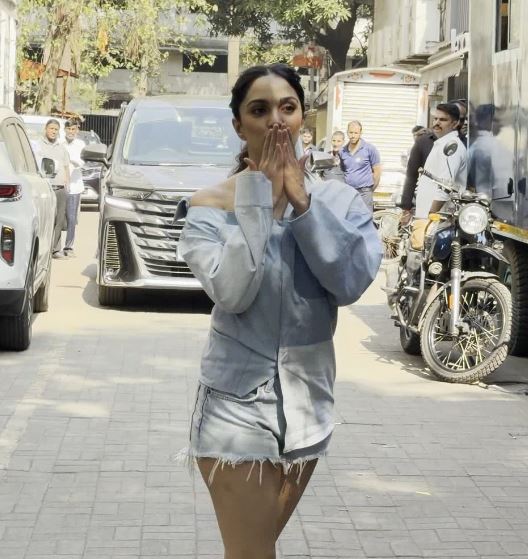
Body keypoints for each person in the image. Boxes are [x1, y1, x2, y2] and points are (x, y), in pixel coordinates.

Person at [175, 63, 382, 559]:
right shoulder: (209, 204)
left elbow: (350, 283)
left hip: (308, 402)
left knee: (254, 548)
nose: (275, 120)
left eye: (287, 107)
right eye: (259, 109)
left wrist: (304, 205)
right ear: (238, 124)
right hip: (236, 403)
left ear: (302, 118)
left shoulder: (339, 201)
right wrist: (262, 202)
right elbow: (232, 292)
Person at [411, 103, 467, 249]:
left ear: (454, 123)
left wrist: (430, 218)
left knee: (425, 256)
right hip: (428, 214)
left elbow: (445, 186)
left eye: (443, 120)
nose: (436, 123)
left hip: (436, 218)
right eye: (435, 118)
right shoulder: (442, 143)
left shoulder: (452, 147)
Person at [37, 119, 70, 258]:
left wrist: (67, 182)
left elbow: (66, 167)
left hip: (60, 188)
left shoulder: (61, 148)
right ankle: (42, 249)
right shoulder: (38, 145)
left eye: (56, 129)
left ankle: (55, 250)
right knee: (45, 219)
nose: (53, 131)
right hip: (45, 188)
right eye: (51, 128)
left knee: (59, 220)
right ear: (46, 129)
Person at [339, 120, 381, 211]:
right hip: (349, 192)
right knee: (349, 216)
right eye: (351, 132)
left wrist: (370, 190)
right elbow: (342, 171)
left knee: (365, 217)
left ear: (360, 133)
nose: (353, 135)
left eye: (356, 133)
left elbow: (377, 171)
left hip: (364, 192)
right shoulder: (342, 151)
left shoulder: (369, 149)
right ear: (347, 132)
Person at [400, 126, 436, 225]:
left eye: (420, 134)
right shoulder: (422, 144)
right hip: (426, 196)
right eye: (415, 135)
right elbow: (411, 175)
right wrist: (406, 207)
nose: (417, 137)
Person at [63, 119, 86, 257]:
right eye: (69, 129)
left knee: (71, 218)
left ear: (77, 130)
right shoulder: (60, 143)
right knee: (58, 218)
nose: (71, 132)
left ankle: (69, 247)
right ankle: (55, 247)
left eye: (73, 129)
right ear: (64, 129)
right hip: (60, 185)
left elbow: (82, 162)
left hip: (74, 186)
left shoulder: (81, 144)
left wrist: (71, 160)